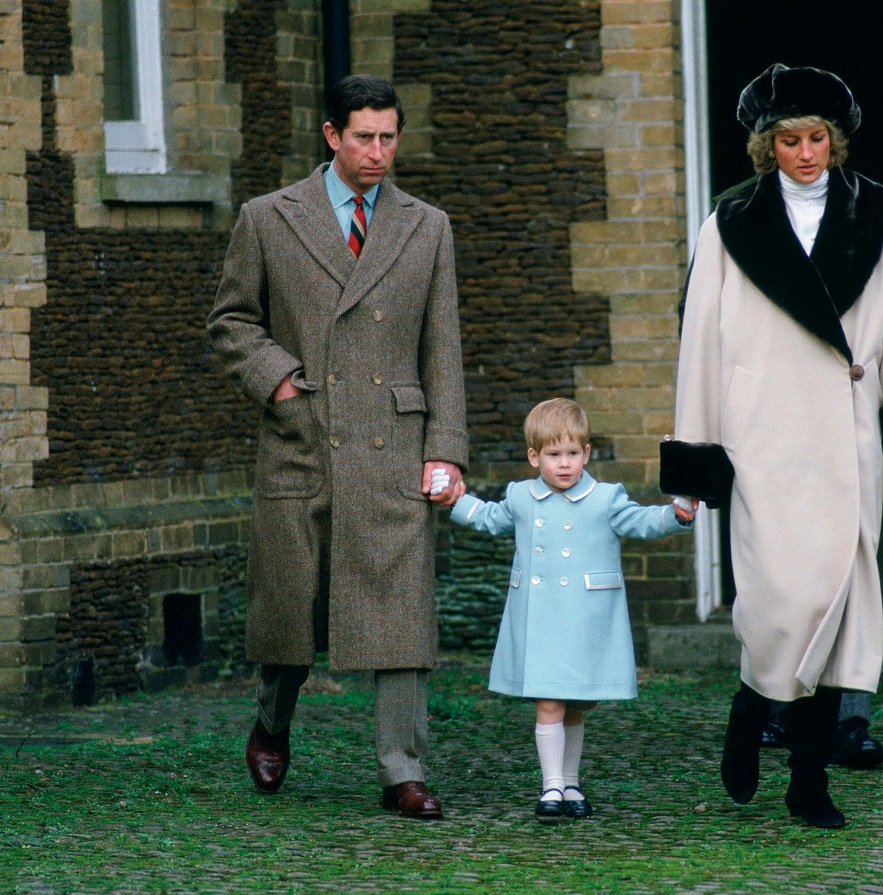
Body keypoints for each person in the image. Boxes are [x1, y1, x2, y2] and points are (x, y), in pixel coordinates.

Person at [672, 64, 883, 827]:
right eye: (789, 139)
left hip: (848, 436)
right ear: (767, 145)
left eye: (817, 137)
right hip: (765, 437)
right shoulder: (728, 223)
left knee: (844, 608)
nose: (805, 152)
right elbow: (700, 346)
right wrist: (695, 459)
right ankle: (750, 702)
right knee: (776, 600)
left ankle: (808, 779)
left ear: (837, 139)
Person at [207, 74, 468, 819]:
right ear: (332, 136)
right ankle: (272, 721)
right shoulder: (268, 217)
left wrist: (445, 447)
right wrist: (282, 383)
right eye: (364, 137)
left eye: (390, 137)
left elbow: (441, 346)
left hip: (395, 444)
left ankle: (401, 769)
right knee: (292, 612)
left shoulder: (428, 226)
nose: (379, 152)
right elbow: (230, 323)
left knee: (400, 614)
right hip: (304, 438)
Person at [444, 398, 696, 821]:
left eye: (573, 454)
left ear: (587, 453)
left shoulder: (606, 497)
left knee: (577, 704)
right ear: (534, 456)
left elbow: (641, 521)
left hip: (587, 618)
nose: (565, 464)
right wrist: (452, 502)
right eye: (554, 455)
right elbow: (490, 517)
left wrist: (677, 516)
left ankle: (572, 782)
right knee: (550, 704)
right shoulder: (522, 496)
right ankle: (551, 788)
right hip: (541, 616)